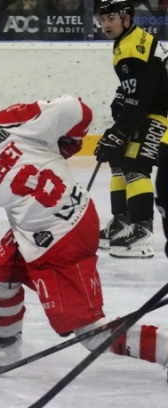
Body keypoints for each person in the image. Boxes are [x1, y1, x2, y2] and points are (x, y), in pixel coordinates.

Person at [0, 80, 168, 370]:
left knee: (93, 334)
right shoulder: (16, 116)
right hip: (78, 214)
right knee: (0, 271)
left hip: (56, 243)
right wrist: (68, 141)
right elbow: (78, 109)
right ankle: (5, 342)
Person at [93, 0, 168, 259]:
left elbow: (143, 98)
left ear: (127, 18)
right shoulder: (126, 41)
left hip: (161, 114)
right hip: (149, 109)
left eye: (111, 18)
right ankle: (122, 222)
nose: (105, 24)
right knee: (117, 157)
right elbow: (135, 90)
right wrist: (120, 105)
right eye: (101, 20)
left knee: (136, 163)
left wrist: (120, 129)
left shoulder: (134, 48)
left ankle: (142, 232)